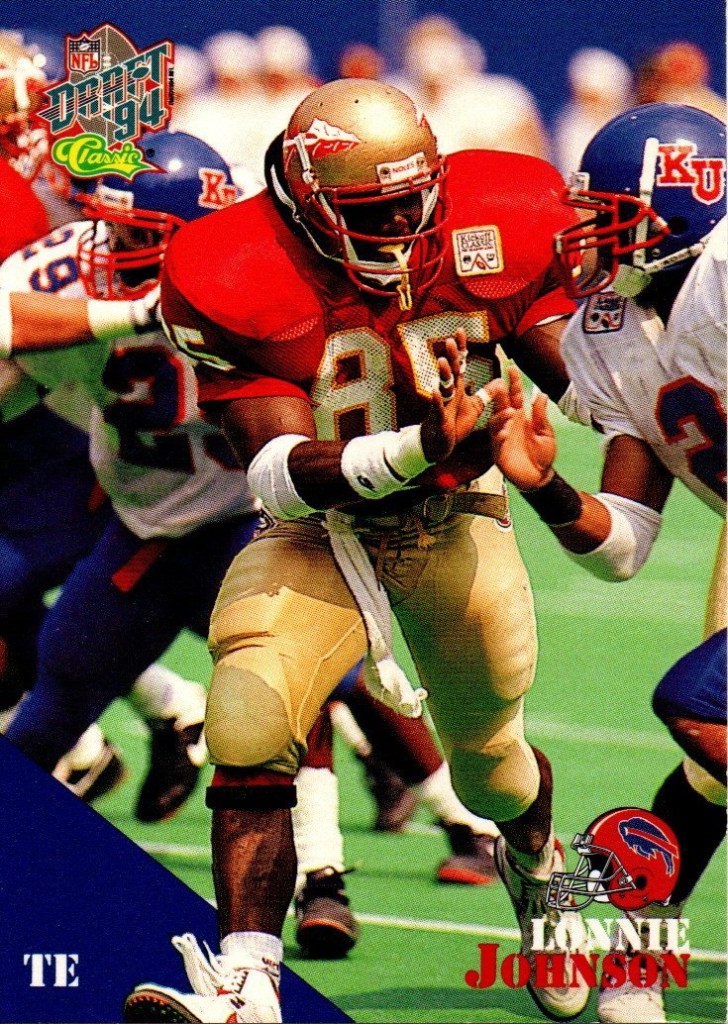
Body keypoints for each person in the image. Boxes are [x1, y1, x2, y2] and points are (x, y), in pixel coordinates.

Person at [123, 78, 594, 1024]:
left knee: (490, 765)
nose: (404, 230)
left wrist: (612, 378)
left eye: (416, 202)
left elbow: (587, 382)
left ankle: (540, 870)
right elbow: (274, 474)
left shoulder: (497, 215)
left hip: (455, 515)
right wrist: (419, 448)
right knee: (248, 714)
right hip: (321, 525)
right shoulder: (236, 267)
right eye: (374, 213)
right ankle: (248, 983)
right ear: (306, 201)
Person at [485, 102, 726, 1024]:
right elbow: (622, 544)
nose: (594, 238)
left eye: (615, 217)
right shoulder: (607, 330)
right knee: (709, 758)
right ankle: (632, 954)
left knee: (701, 706)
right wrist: (546, 486)